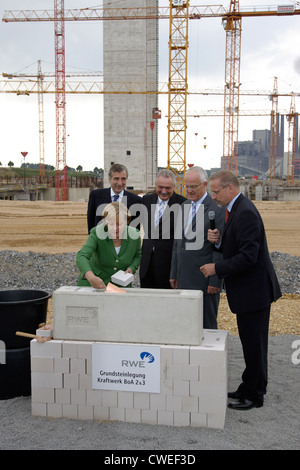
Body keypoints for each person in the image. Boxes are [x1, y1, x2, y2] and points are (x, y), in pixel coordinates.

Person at [200, 170, 282, 410]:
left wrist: (217, 267)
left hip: (254, 292)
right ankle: (248, 386)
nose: (213, 196)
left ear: (230, 188)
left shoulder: (245, 212)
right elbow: (237, 246)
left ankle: (255, 395)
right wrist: (219, 242)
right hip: (248, 291)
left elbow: (248, 256)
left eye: (215, 191)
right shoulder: (236, 209)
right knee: (249, 342)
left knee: (255, 344)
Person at [170, 166, 224, 329]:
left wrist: (215, 280)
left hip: (204, 281)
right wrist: (174, 273)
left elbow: (220, 249)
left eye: (193, 186)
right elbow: (177, 244)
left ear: (205, 184)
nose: (189, 190)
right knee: (185, 324)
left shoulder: (217, 209)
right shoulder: (184, 206)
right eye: (187, 186)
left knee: (206, 325)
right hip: (183, 278)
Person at [139, 169, 186, 289]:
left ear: (174, 186)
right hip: (147, 265)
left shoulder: (183, 204)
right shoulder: (146, 200)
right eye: (160, 187)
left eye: (168, 188)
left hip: (168, 266)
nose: (164, 191)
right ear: (155, 185)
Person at [77, 202, 141, 289]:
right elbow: (82, 256)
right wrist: (91, 277)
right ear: (105, 222)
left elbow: (137, 256)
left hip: (119, 287)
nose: (115, 228)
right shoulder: (97, 232)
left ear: (127, 222)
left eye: (119, 224)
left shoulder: (134, 235)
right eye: (111, 224)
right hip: (93, 286)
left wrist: (132, 268)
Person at [87, 163, 141, 233]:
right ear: (109, 179)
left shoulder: (136, 200)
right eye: (116, 179)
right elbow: (91, 223)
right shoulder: (95, 196)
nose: (120, 183)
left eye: (123, 179)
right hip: (101, 242)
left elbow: (135, 230)